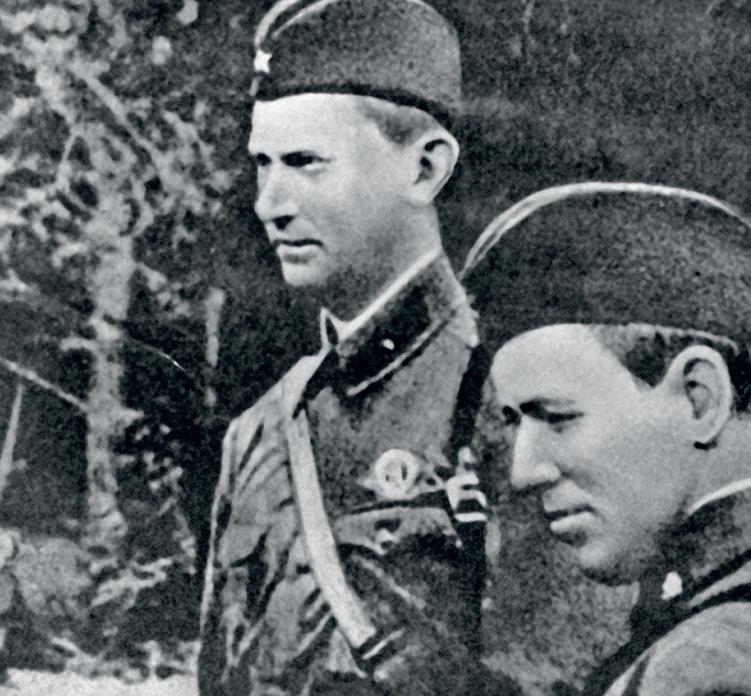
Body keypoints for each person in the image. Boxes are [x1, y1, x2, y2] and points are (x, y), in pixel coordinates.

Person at [198, 1, 493, 694]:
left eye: (306, 163)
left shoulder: (508, 397)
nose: (270, 204)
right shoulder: (262, 430)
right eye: (262, 165)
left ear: (425, 169)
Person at [463, 182, 751, 696]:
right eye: (515, 422)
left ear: (699, 400)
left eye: (558, 418)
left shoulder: (708, 661)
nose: (524, 473)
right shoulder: (700, 622)